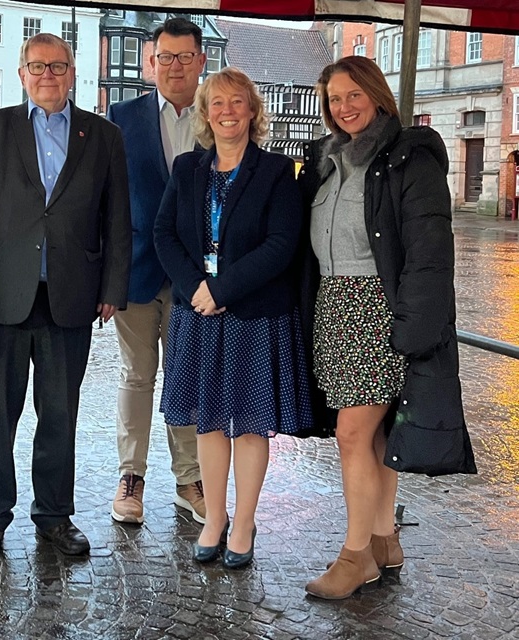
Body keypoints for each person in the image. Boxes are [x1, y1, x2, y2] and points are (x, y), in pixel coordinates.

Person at [298, 56, 476, 600]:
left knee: (352, 434)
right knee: (373, 435)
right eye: (334, 99)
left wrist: (414, 330)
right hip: (335, 309)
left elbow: (429, 253)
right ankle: (383, 540)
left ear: (377, 95)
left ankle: (355, 557)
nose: (343, 107)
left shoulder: (408, 159)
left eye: (353, 95)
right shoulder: (328, 160)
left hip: (379, 311)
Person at [0, 33, 131, 561]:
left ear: (72, 73)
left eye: (57, 66)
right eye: (37, 67)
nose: (47, 76)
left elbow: (117, 217)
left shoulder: (103, 136)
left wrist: (113, 287)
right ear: (22, 74)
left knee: (59, 412)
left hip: (72, 294)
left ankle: (54, 515)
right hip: (5, 293)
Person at [154, 68, 314, 569]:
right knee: (207, 423)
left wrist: (222, 290)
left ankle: (243, 523)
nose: (227, 111)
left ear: (252, 110)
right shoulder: (187, 168)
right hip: (197, 312)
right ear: (205, 113)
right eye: (217, 103)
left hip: (254, 315)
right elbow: (164, 235)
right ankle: (215, 519)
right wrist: (196, 289)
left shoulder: (277, 171)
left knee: (248, 425)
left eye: (237, 102)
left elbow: (282, 244)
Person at [106, 17, 206, 526]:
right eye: (166, 57)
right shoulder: (122, 116)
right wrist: (107, 276)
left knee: (184, 377)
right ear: (151, 62)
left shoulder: (217, 116)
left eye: (185, 57)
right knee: (137, 375)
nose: (175, 67)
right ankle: (131, 477)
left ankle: (190, 479)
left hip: (196, 278)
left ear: (201, 61)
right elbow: (107, 202)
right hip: (138, 270)